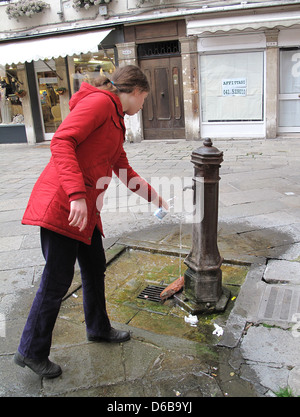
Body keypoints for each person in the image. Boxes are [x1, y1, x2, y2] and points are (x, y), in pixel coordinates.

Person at [14, 65, 168, 378]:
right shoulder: (100, 104)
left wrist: (154, 197)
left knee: (95, 266)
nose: (143, 106)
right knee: (56, 279)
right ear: (135, 91)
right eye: (145, 99)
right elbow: (61, 142)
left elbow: (121, 167)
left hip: (85, 211)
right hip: (65, 206)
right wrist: (76, 196)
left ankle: (98, 327)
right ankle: (30, 350)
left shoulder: (115, 117)